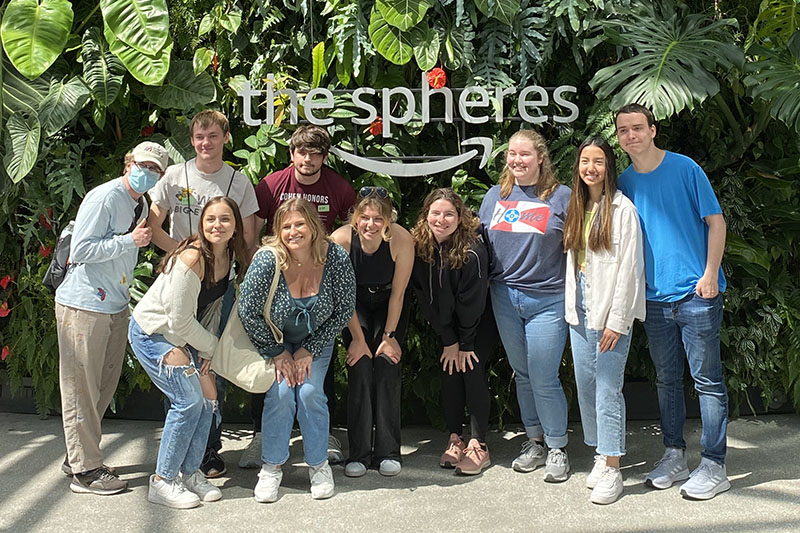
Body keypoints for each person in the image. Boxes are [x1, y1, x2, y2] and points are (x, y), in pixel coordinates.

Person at [615, 103, 729, 500]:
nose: (631, 136)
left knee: (707, 382)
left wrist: (710, 274)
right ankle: (675, 455)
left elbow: (716, 221)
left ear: (653, 130)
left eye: (637, 128)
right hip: (655, 300)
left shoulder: (685, 169)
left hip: (696, 294)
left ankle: (715, 464)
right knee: (666, 381)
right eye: (624, 130)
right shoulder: (625, 182)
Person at [147, 109, 260, 478]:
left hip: (220, 286)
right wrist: (181, 253)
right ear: (191, 140)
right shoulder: (174, 176)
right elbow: (152, 222)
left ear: (225, 138)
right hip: (181, 279)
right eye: (199, 137)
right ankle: (178, 450)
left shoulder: (237, 182)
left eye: (212, 136)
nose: (205, 143)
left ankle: (209, 449)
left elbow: (247, 239)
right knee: (179, 366)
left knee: (212, 362)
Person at [55, 141, 169, 495]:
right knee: (81, 389)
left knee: (102, 385)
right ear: (128, 163)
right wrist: (129, 241)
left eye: (155, 170)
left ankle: (78, 455)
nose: (147, 173)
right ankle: (86, 471)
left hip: (116, 305)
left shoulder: (142, 203)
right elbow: (82, 249)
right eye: (143, 165)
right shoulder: (104, 197)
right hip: (84, 305)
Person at [242, 125, 356, 468]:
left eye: (315, 153)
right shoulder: (272, 184)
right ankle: (261, 437)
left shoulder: (338, 187)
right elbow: (253, 233)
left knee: (314, 383)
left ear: (325, 156)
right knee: (269, 380)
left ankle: (322, 437)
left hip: (319, 282)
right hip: (278, 283)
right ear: (292, 154)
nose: (308, 160)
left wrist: (332, 255)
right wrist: (259, 274)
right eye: (301, 152)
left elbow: (355, 227)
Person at [129, 197, 248, 508]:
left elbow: (211, 308)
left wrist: (206, 354)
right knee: (188, 401)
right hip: (154, 332)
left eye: (225, 219)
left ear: (236, 225)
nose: (217, 225)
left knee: (209, 401)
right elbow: (179, 321)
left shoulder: (230, 256)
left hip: (186, 337)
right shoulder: (193, 257)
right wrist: (212, 348)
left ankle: (191, 472)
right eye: (210, 219)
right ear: (201, 223)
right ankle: (162, 481)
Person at [239, 198, 355, 502]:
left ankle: (318, 465)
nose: (293, 231)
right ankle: (272, 467)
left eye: (300, 223)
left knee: (309, 393)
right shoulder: (267, 260)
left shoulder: (336, 257)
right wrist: (276, 352)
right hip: (275, 339)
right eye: (286, 226)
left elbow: (344, 309)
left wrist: (310, 348)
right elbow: (248, 311)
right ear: (278, 230)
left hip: (316, 338)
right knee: (279, 393)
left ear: (313, 226)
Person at [478, 129, 572, 482]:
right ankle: (534, 441)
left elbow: (578, 245)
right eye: (512, 154)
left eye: (525, 154)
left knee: (545, 377)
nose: (517, 160)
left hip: (548, 298)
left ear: (541, 158)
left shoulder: (561, 197)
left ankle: (558, 446)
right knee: (523, 373)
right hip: (504, 296)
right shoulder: (495, 196)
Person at [562, 137, 645, 504]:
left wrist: (618, 321)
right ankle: (599, 453)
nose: (590, 168)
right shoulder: (577, 205)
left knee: (608, 388)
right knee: (586, 385)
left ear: (608, 167)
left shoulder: (622, 209)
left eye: (598, 161)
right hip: (580, 307)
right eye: (584, 161)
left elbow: (630, 270)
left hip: (610, 309)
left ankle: (613, 467)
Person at [410, 188, 495, 475]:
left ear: (460, 218)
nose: (442, 220)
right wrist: (448, 340)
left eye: (449, 214)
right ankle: (455, 437)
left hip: (476, 325)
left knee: (471, 372)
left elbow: (471, 302)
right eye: (436, 213)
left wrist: (464, 342)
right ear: (426, 216)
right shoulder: (420, 246)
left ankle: (478, 443)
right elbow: (423, 294)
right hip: (446, 327)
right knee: (449, 374)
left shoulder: (472, 249)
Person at [330, 187, 414, 478]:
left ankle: (388, 452)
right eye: (364, 217)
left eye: (378, 219)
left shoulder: (401, 240)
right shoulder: (340, 240)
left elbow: (399, 294)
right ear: (355, 217)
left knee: (387, 364)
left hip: (389, 305)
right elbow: (341, 294)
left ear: (388, 220)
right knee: (361, 365)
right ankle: (360, 454)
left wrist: (389, 337)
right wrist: (357, 338)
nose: (370, 224)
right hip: (354, 306)